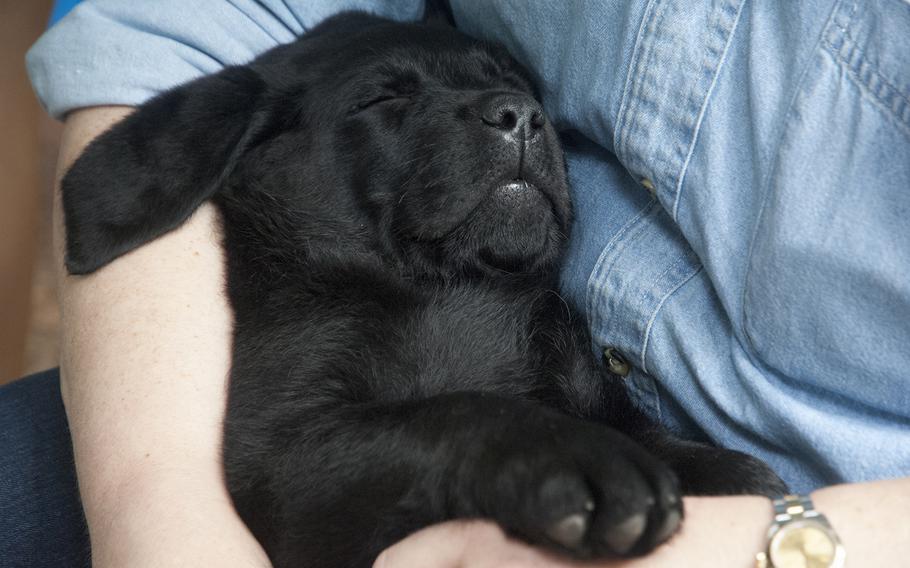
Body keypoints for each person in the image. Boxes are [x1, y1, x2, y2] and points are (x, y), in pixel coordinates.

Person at [4, 0, 908, 566]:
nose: (517, 119)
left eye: (518, 100)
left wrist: (775, 539)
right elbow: (187, 30)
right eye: (388, 105)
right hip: (258, 435)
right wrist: (150, 508)